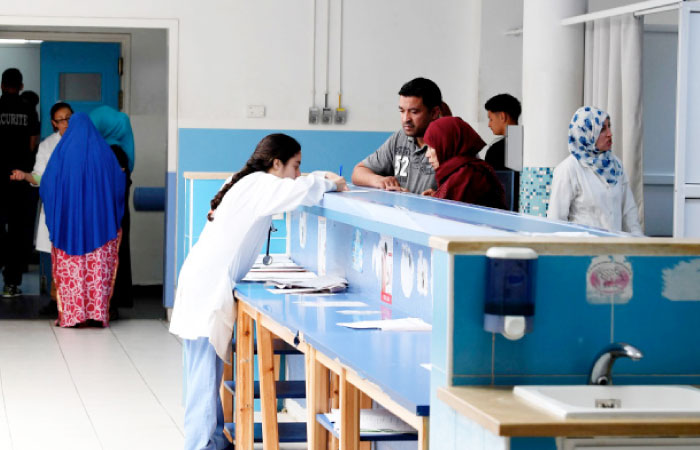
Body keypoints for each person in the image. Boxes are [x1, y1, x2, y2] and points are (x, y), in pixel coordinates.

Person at [169, 133, 346, 450]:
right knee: (202, 379)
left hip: (204, 282)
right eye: (295, 165)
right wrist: (331, 181)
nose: (297, 172)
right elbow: (304, 190)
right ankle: (198, 445)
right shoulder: (263, 185)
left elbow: (298, 184)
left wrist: (315, 176)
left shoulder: (249, 182)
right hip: (205, 288)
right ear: (276, 163)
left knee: (206, 376)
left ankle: (212, 441)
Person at [39, 112, 126, 327]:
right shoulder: (105, 154)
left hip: (68, 230)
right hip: (101, 228)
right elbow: (119, 186)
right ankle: (97, 315)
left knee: (72, 271)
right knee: (97, 270)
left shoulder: (62, 153)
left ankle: (72, 316)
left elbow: (47, 186)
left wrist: (61, 212)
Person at [10, 102, 73, 305]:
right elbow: (39, 177)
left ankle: (74, 300)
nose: (66, 123)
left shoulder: (85, 142)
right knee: (55, 255)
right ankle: (56, 301)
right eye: (61, 120)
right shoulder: (47, 145)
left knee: (76, 254)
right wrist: (25, 176)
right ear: (54, 123)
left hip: (76, 208)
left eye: (69, 117)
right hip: (55, 207)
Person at [548, 106, 643, 235]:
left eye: (609, 126)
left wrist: (639, 243)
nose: (610, 133)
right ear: (586, 133)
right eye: (602, 129)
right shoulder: (568, 169)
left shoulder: (615, 165)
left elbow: (629, 213)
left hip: (615, 250)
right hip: (584, 250)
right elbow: (556, 222)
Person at [351, 77, 441, 193]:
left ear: (434, 113)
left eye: (414, 112)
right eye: (402, 111)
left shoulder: (450, 144)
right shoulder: (400, 137)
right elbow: (358, 172)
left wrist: (437, 197)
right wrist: (379, 181)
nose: (405, 119)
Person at [90, 105, 135, 317]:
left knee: (106, 258)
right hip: (119, 217)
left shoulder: (104, 153)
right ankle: (114, 301)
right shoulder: (122, 153)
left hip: (104, 219)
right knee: (118, 255)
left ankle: (105, 303)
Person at [0, 68, 40, 298]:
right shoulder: (29, 110)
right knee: (18, 233)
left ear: (2, 85)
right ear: (21, 86)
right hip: (20, 179)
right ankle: (11, 284)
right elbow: (32, 144)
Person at [422, 116, 506, 209]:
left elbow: (447, 216)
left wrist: (435, 200)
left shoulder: (466, 176)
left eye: (431, 147)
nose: (427, 154)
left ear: (447, 145)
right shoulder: (465, 171)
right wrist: (436, 196)